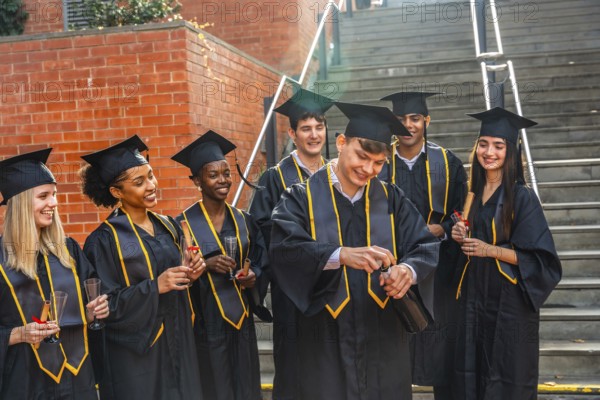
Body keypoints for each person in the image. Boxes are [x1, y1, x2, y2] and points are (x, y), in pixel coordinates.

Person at [269, 102, 440, 400]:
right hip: (324, 340)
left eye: (378, 163)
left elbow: (424, 244)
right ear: (341, 143)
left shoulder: (391, 199)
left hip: (383, 340)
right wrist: (340, 255)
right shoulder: (300, 198)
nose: (368, 169)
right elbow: (284, 250)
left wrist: (407, 271)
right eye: (362, 156)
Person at [80, 135, 205, 400]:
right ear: (116, 192)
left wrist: (191, 274)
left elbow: (179, 280)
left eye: (151, 176)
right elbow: (104, 306)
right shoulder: (103, 240)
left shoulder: (168, 225)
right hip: (137, 357)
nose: (151, 185)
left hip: (179, 340)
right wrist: (155, 287)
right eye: (139, 182)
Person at [450, 107, 562, 399]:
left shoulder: (522, 197)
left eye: (498, 146)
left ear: (510, 151)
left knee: (506, 375)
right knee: (469, 373)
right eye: (483, 144)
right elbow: (464, 242)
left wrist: (491, 250)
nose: (489, 152)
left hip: (509, 304)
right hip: (473, 299)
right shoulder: (471, 193)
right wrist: (458, 234)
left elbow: (541, 260)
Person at [0, 148, 109, 399]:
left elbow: (88, 309)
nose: (54, 203)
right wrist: (17, 334)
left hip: (78, 379)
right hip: (26, 383)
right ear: (21, 202)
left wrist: (92, 311)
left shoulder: (68, 250)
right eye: (44, 196)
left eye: (54, 194)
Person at [379, 91, 467, 398]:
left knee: (439, 339)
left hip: (436, 268)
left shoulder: (448, 161)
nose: (408, 126)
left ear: (426, 121)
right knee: (392, 342)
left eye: (415, 118)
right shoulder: (379, 160)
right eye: (401, 119)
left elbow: (461, 210)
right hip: (391, 266)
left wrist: (441, 228)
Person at [171, 130, 270, 400]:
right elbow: (177, 278)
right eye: (213, 175)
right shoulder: (182, 226)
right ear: (196, 181)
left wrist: (253, 277)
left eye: (226, 173)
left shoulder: (245, 221)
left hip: (242, 324)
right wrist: (205, 265)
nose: (223, 180)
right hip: (205, 326)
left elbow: (262, 262)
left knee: (247, 388)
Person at [249, 87, 334, 400]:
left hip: (332, 280)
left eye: (319, 127)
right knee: (295, 362)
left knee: (330, 358)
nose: (314, 135)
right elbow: (259, 229)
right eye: (306, 128)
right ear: (293, 133)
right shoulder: (275, 177)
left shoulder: (337, 173)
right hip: (292, 288)